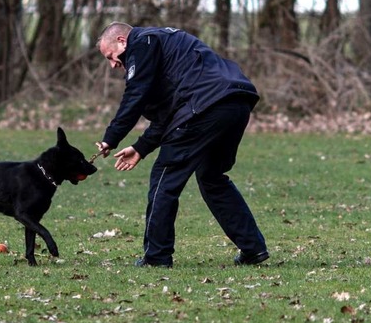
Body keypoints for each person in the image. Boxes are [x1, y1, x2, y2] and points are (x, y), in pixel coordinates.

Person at [96, 22, 268, 267]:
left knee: (164, 178)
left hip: (206, 107)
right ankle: (253, 248)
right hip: (236, 102)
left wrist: (111, 137)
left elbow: (136, 95)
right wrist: (141, 147)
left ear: (122, 41)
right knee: (212, 177)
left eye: (111, 56)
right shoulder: (167, 51)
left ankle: (156, 257)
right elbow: (169, 113)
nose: (113, 64)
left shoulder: (142, 42)